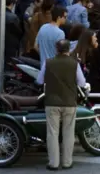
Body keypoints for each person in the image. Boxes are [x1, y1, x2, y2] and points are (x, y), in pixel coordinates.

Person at [37, 39, 86, 170]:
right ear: (69, 50)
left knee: (52, 133)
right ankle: (67, 162)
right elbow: (81, 83)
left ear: (56, 49)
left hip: (51, 102)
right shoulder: (74, 64)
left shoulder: (48, 62)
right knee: (68, 132)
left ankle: (53, 163)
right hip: (69, 101)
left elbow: (39, 80)